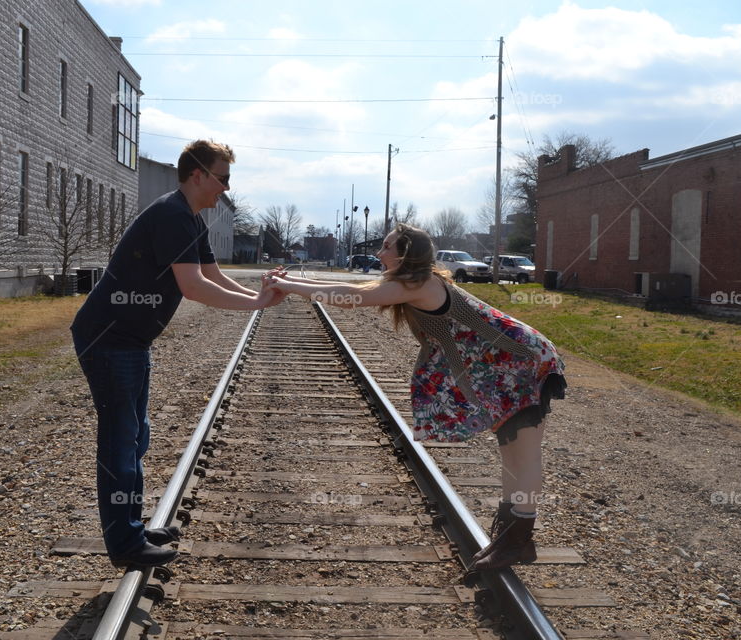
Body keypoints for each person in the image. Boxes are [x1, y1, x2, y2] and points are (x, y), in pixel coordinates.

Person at [265, 223, 566, 570]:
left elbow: (352, 298)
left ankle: (518, 539)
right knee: (512, 457)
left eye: (387, 247)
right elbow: (352, 288)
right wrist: (289, 283)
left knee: (522, 456)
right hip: (505, 369)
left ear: (406, 254)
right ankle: (513, 537)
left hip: (523, 362)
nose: (380, 254)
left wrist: (286, 285)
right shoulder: (412, 282)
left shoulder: (419, 283)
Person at [71, 140, 282, 569]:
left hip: (130, 341)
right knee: (119, 441)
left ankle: (132, 528)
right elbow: (194, 288)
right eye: (222, 178)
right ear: (198, 174)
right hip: (109, 340)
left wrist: (258, 294)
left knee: (134, 437)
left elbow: (213, 274)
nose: (225, 188)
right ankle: (125, 544)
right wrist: (257, 306)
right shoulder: (172, 215)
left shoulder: (190, 220)